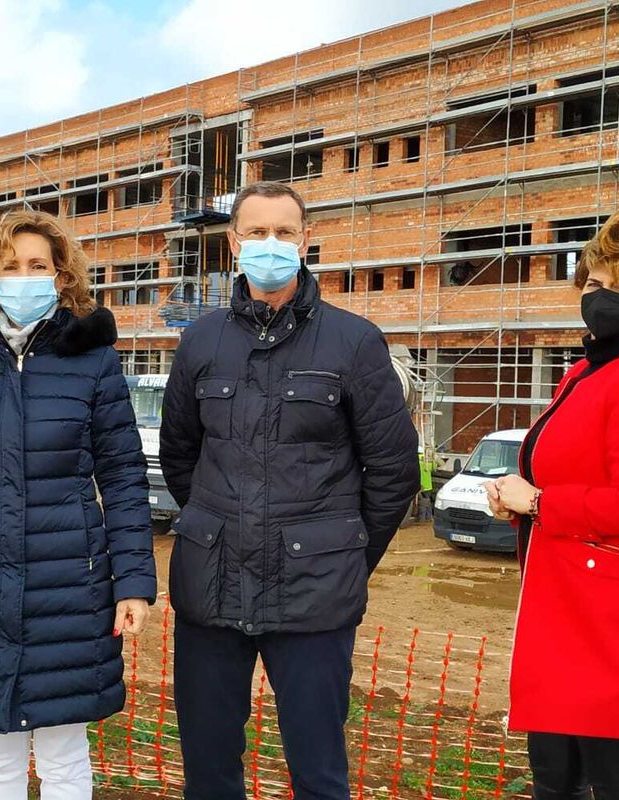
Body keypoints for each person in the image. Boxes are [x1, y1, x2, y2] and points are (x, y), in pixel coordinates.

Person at [158, 181, 421, 800]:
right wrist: (215, 527)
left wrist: (344, 555)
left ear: (305, 242)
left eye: (283, 232)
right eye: (255, 232)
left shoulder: (354, 342)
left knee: (318, 771)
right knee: (209, 766)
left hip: (313, 597)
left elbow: (392, 471)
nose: (269, 244)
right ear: (233, 243)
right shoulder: (200, 342)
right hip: (212, 591)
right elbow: (180, 458)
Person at [0, 209, 157, 800]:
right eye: (11, 265)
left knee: (64, 752)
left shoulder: (93, 359)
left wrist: (134, 583)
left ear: (62, 276)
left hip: (68, 584)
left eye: (38, 264)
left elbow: (121, 477)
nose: (24, 276)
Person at [486, 210, 619, 800]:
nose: (603, 298)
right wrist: (518, 501)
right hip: (563, 620)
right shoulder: (583, 371)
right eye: (595, 284)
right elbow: (565, 474)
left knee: (618, 790)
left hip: (614, 633)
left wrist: (543, 503)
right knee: (555, 786)